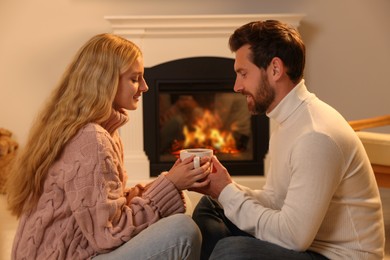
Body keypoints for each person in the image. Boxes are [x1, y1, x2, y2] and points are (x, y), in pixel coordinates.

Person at [191, 20, 385, 259]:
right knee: (212, 207)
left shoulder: (315, 135)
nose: (237, 86)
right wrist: (223, 188)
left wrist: (227, 192)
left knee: (233, 252)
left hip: (339, 255)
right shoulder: (289, 122)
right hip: (311, 245)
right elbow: (276, 200)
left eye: (243, 73)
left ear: (275, 69)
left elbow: (293, 237)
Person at [6, 33, 211, 260]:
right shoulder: (90, 138)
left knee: (181, 208)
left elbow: (99, 205)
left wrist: (163, 186)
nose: (144, 87)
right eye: (135, 78)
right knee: (182, 230)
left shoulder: (99, 131)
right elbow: (108, 234)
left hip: (72, 251)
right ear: (105, 81)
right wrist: (170, 183)